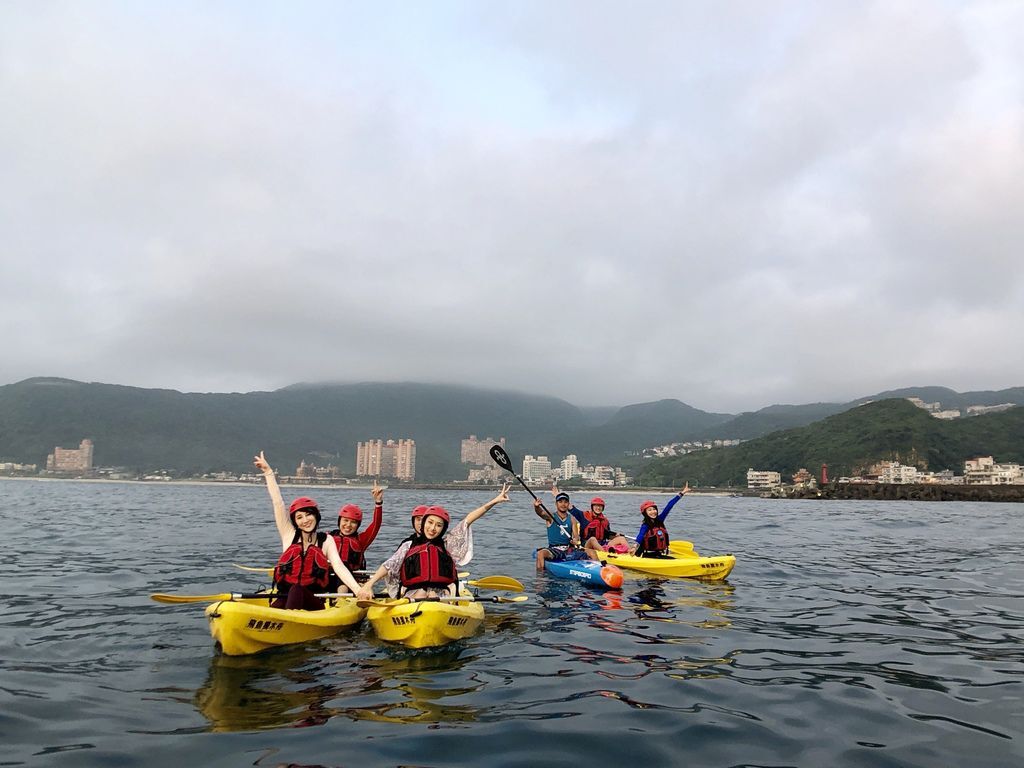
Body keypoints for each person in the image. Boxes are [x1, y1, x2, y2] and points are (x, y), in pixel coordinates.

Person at [357, 485, 511, 600]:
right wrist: (368, 585)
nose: (433, 528)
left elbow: (468, 520)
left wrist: (494, 501)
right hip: (414, 592)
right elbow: (389, 565)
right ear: (423, 524)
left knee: (431, 593)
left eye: (438, 525)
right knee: (423, 593)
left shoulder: (447, 544)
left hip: (441, 592)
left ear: (443, 529)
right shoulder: (408, 546)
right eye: (430, 523)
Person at [254, 451, 361, 609]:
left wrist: (358, 590)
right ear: (295, 522)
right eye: (299, 517)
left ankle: (288, 623)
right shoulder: (289, 534)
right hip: (287, 596)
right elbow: (278, 503)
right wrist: (269, 473)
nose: (305, 520)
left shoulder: (326, 541)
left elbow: (338, 566)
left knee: (297, 590)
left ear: (316, 516)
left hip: (314, 601)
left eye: (309, 515)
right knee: (285, 599)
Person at [326, 481, 384, 593]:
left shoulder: (361, 540)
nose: (348, 525)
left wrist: (378, 503)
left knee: (345, 568)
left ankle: (341, 600)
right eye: (345, 520)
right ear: (339, 521)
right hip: (328, 579)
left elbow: (376, 525)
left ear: (358, 525)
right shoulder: (328, 538)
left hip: (354, 582)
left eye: (353, 522)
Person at [552, 485, 632, 559]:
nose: (598, 508)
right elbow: (570, 508)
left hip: (602, 545)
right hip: (587, 545)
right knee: (593, 539)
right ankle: (606, 555)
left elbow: (607, 535)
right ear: (592, 507)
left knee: (621, 538)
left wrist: (614, 536)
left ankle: (631, 554)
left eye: (600, 506)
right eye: (596, 506)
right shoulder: (584, 516)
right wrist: (557, 495)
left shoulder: (605, 521)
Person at [533, 491, 592, 570]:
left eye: (565, 502)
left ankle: (599, 571)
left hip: (568, 550)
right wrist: (537, 507)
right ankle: (541, 579)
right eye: (560, 502)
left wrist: (575, 540)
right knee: (540, 553)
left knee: (592, 552)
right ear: (556, 504)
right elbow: (541, 513)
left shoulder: (572, 518)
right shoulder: (551, 516)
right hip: (554, 549)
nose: (563, 504)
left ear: (568, 504)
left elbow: (576, 536)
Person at [631, 483, 690, 557]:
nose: (653, 512)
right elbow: (640, 536)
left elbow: (669, 506)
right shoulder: (645, 525)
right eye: (649, 510)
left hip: (659, 553)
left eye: (654, 509)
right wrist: (634, 547)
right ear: (645, 513)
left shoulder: (660, 520)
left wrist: (682, 493)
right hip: (648, 555)